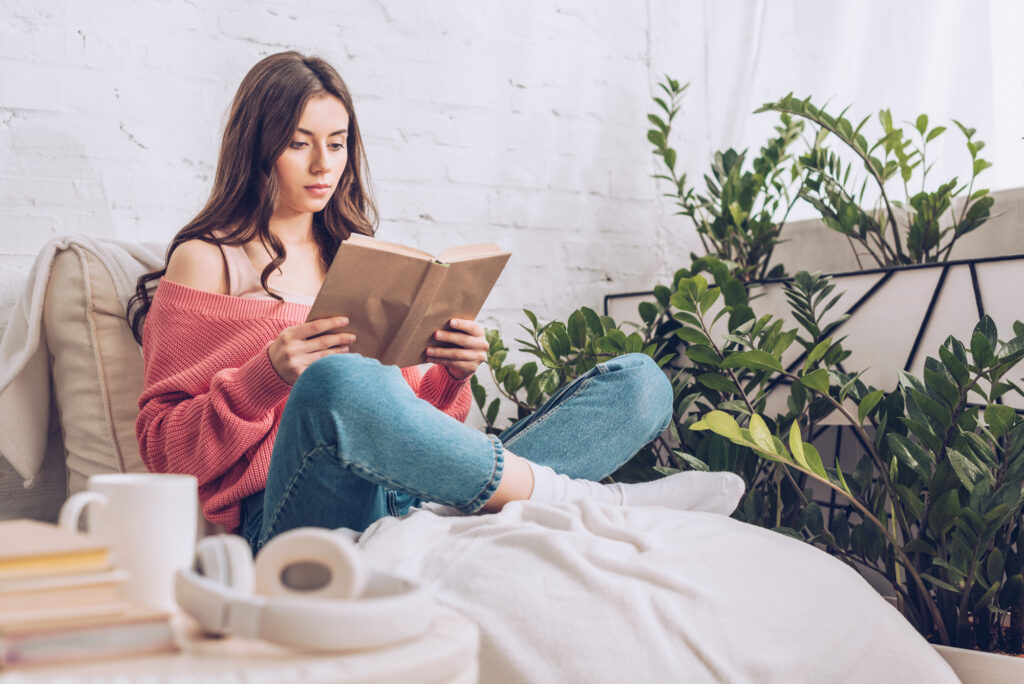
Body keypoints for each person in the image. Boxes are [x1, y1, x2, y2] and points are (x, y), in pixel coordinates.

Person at [128, 51, 743, 554]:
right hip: (295, 512)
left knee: (641, 384)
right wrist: (266, 376)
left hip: (412, 497)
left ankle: (447, 519)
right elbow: (163, 448)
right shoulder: (207, 259)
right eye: (298, 143)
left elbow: (414, 431)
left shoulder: (355, 257)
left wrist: (452, 374)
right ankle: (581, 497)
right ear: (257, 146)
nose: (323, 165)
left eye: (337, 144)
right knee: (339, 379)